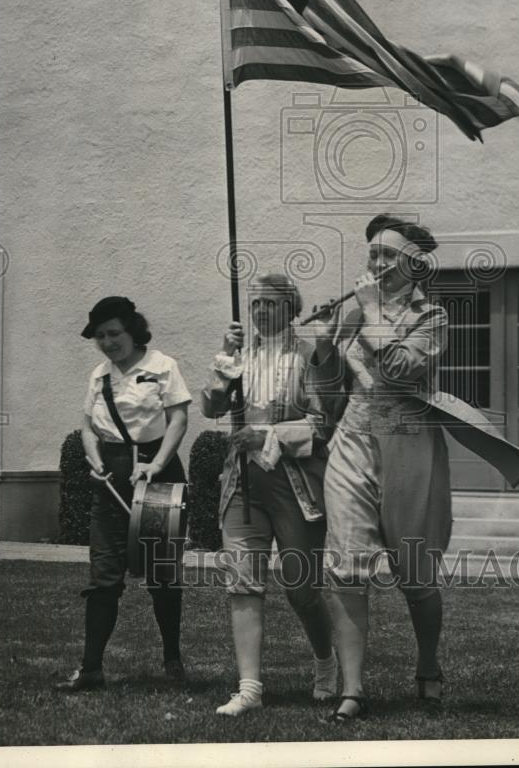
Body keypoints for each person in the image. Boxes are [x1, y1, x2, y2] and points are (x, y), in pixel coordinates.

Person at [318, 215, 451, 723]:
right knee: (346, 568)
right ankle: (353, 689)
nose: (375, 264)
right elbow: (328, 386)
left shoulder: (432, 316)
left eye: (387, 255)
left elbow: (399, 370)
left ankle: (428, 664)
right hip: (352, 441)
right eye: (371, 253)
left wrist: (370, 310)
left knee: (415, 573)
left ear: (414, 265)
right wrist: (323, 346)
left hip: (408, 446)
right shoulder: (354, 314)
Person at [201, 273, 338, 716]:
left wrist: (265, 435)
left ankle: (325, 662)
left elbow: (324, 424)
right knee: (242, 582)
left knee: (300, 587)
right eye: (254, 304)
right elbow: (212, 407)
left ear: (291, 307)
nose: (259, 311)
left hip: (294, 485)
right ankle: (249, 688)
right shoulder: (239, 355)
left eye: (269, 303)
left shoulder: (308, 355)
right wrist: (225, 359)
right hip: (242, 483)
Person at [56, 296, 191, 692]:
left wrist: (156, 464)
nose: (108, 342)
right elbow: (87, 427)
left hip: (157, 472)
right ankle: (91, 668)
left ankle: (172, 660)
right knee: (103, 577)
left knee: (161, 574)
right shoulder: (99, 376)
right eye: (100, 336)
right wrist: (93, 459)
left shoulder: (163, 366)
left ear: (132, 330)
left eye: (114, 333)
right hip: (110, 477)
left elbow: (179, 418)